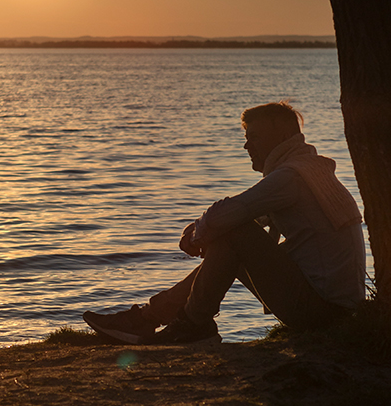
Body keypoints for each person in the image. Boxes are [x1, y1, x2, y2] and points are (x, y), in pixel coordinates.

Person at [83, 101, 366, 345]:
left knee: (234, 232)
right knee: (232, 233)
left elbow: (228, 215)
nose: (246, 145)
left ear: (282, 136)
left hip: (323, 313)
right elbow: (245, 216)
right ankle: (152, 317)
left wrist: (197, 235)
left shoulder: (291, 178)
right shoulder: (308, 172)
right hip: (336, 310)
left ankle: (191, 324)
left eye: (254, 136)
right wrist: (203, 230)